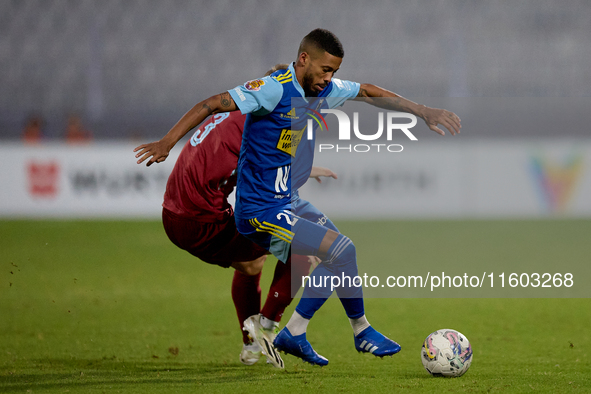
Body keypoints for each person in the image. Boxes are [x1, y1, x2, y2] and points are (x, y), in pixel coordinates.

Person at [135, 28, 461, 366]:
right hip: (249, 210)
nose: (330, 78)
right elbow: (213, 105)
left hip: (280, 201)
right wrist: (166, 143)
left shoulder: (318, 92)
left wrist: (422, 111)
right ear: (303, 60)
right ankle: (279, 328)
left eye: (334, 71)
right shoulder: (270, 93)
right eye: (325, 70)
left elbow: (365, 91)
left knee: (332, 252)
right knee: (319, 253)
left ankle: (342, 330)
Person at [157, 63, 337, 368]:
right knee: (309, 248)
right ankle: (267, 328)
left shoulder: (242, 110)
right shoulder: (267, 125)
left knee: (252, 263)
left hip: (174, 215)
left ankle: (252, 345)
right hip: (202, 220)